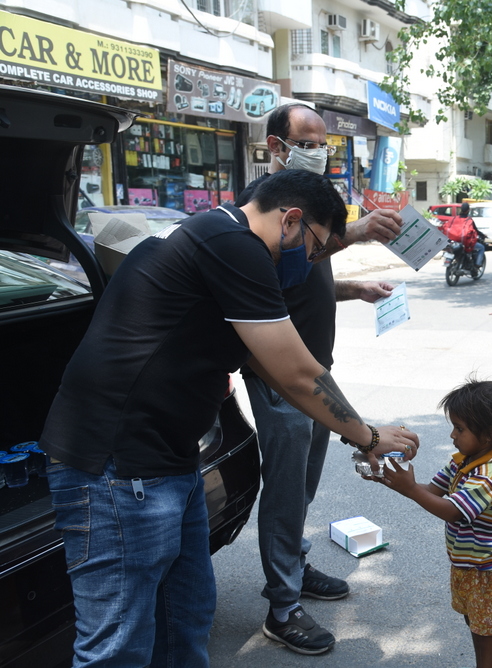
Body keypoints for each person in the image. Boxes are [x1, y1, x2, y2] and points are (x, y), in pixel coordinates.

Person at [40, 168, 419, 667]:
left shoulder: (219, 238)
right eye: (316, 248)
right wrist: (368, 436)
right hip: (116, 468)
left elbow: (270, 363)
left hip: (171, 462)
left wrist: (353, 431)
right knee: (117, 646)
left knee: (186, 617)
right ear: (292, 220)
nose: (311, 263)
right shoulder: (232, 244)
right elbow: (297, 373)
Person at [235, 102, 406, 655]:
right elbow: (265, 294)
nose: (318, 149)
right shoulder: (267, 210)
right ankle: (283, 608)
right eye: (306, 140)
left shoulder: (307, 204)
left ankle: (294, 566)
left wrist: (355, 290)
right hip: (283, 375)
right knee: (285, 486)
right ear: (276, 147)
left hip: (317, 367)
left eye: (324, 142)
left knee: (303, 484)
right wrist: (355, 231)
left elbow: (302, 279)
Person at [375, 379, 492, 668]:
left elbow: (453, 511)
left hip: (484, 572)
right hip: (465, 566)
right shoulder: (463, 460)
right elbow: (433, 491)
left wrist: (408, 488)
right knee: (476, 627)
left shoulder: (487, 475)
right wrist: (392, 479)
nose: (452, 435)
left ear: (489, 434)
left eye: (459, 428)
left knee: (486, 636)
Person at [441, 201, 485, 267]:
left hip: (453, 242)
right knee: (481, 247)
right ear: (468, 210)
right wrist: (483, 235)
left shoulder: (454, 218)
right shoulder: (469, 220)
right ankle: (478, 264)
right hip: (465, 242)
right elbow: (475, 230)